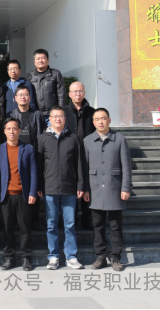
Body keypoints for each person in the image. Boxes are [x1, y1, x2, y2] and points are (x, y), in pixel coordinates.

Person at [83, 108, 132, 272]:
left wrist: (125, 187)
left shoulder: (120, 139)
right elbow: (84, 168)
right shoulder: (87, 141)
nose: (100, 122)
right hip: (95, 189)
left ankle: (116, 258)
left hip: (114, 188)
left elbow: (126, 166)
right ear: (93, 122)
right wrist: (85, 189)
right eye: (97, 119)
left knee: (116, 226)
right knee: (98, 226)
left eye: (103, 118)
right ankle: (101, 257)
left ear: (109, 120)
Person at [37, 106, 85, 270]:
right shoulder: (42, 138)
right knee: (51, 224)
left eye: (61, 116)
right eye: (55, 116)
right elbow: (39, 165)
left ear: (65, 119)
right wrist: (39, 185)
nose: (58, 119)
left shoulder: (73, 138)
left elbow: (79, 163)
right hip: (49, 188)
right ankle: (53, 256)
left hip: (69, 187)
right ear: (49, 119)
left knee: (70, 224)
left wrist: (80, 184)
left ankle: (71, 256)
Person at [0, 117, 37, 272]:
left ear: (19, 130)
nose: (11, 131)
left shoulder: (28, 148)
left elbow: (33, 172)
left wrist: (32, 192)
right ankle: (9, 257)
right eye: (8, 128)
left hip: (23, 195)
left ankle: (26, 258)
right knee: (7, 228)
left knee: (25, 228)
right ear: (4, 131)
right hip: (5, 196)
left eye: (14, 128)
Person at [8, 83, 47, 231]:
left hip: (34, 155)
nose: (23, 97)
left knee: (33, 187)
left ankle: (34, 219)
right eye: (20, 95)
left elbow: (42, 135)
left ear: (30, 97)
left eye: (25, 95)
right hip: (16, 155)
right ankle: (17, 220)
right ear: (15, 98)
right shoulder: (11, 115)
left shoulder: (37, 114)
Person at [64, 81, 96, 230]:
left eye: (80, 91)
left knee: (88, 185)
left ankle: (87, 218)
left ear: (84, 93)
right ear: (69, 94)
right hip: (70, 155)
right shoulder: (64, 112)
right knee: (72, 187)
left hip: (88, 154)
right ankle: (73, 218)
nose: (78, 94)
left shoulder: (92, 112)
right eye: (75, 91)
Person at [27, 49, 66, 125]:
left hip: (52, 114)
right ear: (34, 61)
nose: (40, 61)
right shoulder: (30, 76)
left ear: (48, 60)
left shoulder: (55, 74)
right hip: (36, 114)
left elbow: (61, 94)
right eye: (38, 59)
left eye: (43, 58)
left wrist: (60, 112)